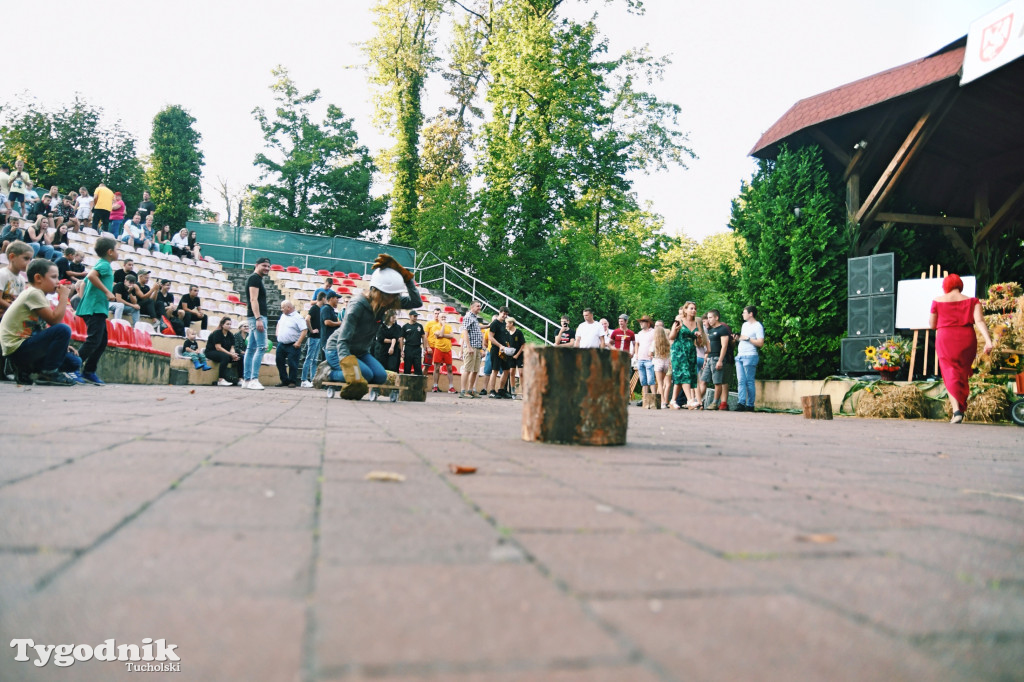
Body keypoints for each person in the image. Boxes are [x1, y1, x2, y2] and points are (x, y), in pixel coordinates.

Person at [314, 254, 421, 400]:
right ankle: (328, 372)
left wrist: (407, 278)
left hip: (360, 351)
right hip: (337, 350)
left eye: (393, 296)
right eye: (387, 296)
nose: (391, 300)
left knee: (380, 376)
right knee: (366, 375)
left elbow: (416, 302)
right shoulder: (357, 306)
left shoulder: (387, 301)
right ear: (375, 291)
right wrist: (349, 366)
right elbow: (342, 340)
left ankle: (354, 371)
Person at [0, 257, 78, 385]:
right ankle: (48, 373)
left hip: (23, 347)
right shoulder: (34, 293)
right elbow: (55, 321)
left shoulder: (39, 295)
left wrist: (63, 345)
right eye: (54, 277)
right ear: (38, 278)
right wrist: (64, 296)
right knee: (63, 329)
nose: (58, 282)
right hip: (17, 348)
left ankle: (25, 371)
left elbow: (39, 328)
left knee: (74, 361)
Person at [930, 274, 994, 424]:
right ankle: (959, 408)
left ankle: (957, 411)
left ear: (945, 286)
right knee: (961, 373)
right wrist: (988, 341)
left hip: (946, 338)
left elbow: (932, 325)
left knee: (949, 372)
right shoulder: (973, 301)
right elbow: (979, 321)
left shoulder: (937, 301)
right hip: (966, 338)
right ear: (960, 285)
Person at [76, 237, 119, 385]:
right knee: (94, 340)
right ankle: (72, 368)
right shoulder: (104, 265)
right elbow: (90, 277)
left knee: (101, 341)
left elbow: (84, 283)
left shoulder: (101, 264)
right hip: (95, 308)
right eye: (117, 249)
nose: (118, 252)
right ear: (110, 252)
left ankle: (89, 371)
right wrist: (107, 292)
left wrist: (84, 300)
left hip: (96, 308)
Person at [242, 257, 272, 390]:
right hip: (257, 317)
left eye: (268, 266)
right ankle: (253, 379)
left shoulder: (256, 279)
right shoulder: (254, 278)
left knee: (251, 349)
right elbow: (253, 299)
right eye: (264, 265)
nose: (267, 268)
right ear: (257, 265)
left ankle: (247, 380)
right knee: (261, 347)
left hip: (254, 317)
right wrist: (258, 318)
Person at [668, 302, 701, 409]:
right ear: (685, 310)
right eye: (691, 308)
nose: (694, 310)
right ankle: (690, 400)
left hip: (691, 350)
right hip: (678, 350)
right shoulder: (679, 321)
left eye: (695, 309)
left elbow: (700, 343)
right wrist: (675, 330)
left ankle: (673, 401)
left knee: (682, 377)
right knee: (684, 374)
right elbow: (671, 337)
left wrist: (699, 336)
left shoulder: (697, 323)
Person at [698, 309, 732, 411]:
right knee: (703, 380)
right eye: (707, 318)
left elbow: (724, 346)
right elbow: (708, 346)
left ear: (716, 318)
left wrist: (720, 360)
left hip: (717, 358)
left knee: (717, 382)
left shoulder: (722, 330)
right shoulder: (710, 330)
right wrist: (705, 359)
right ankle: (698, 401)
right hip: (709, 358)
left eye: (710, 317)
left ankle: (714, 403)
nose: (708, 320)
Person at [734, 306, 765, 412]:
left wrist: (747, 338)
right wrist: (738, 339)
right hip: (740, 355)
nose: (743, 314)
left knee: (749, 381)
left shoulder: (757, 326)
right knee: (741, 381)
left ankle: (750, 404)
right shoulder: (744, 325)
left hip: (750, 355)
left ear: (751, 314)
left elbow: (760, 343)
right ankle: (741, 403)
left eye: (744, 312)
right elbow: (744, 340)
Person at [274, 300, 306, 387]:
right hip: (281, 343)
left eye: (282, 307)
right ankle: (284, 380)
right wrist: (277, 333)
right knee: (279, 361)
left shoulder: (298, 317)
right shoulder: (283, 315)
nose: (281, 309)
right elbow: (278, 324)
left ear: (289, 307)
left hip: (293, 344)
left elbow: (304, 330)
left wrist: (299, 342)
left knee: (293, 363)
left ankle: (292, 381)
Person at [205, 317, 243, 386]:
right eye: (227, 324)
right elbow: (218, 348)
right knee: (225, 357)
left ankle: (240, 379)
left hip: (224, 352)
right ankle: (221, 380)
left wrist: (233, 354)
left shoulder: (230, 334)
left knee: (240, 357)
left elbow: (232, 347)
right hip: (211, 352)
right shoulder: (217, 333)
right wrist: (230, 354)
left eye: (230, 324)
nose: (229, 326)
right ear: (222, 325)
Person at [1, 241, 33, 320]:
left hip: (11, 314)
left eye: (30, 259)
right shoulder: (3, 274)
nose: (29, 262)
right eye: (26, 258)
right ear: (12, 257)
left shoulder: (21, 279)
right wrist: (14, 309)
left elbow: (19, 300)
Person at [459, 300, 484, 398]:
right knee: (467, 369)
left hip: (477, 347)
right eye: (478, 306)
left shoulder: (474, 318)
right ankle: (463, 391)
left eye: (480, 306)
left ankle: (470, 390)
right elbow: (465, 331)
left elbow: (477, 328)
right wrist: (468, 347)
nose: (479, 308)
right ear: (472, 307)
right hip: (471, 347)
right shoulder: (468, 316)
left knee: (475, 370)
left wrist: (489, 325)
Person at [300, 292, 325, 387]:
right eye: (325, 299)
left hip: (318, 338)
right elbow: (307, 319)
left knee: (314, 360)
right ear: (323, 298)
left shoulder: (319, 309)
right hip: (313, 337)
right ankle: (304, 379)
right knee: (309, 358)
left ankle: (312, 379)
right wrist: (311, 330)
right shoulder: (314, 308)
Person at [486, 307, 511, 398]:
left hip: (504, 350)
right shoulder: (495, 323)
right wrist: (500, 345)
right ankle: (492, 391)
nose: (505, 316)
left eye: (506, 314)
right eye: (504, 314)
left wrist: (507, 346)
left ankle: (501, 390)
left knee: (506, 370)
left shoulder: (504, 323)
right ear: (499, 312)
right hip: (496, 349)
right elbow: (490, 337)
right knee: (495, 370)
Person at [430, 312, 456, 393]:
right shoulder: (435, 326)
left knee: (450, 368)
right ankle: (435, 386)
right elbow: (439, 334)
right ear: (439, 318)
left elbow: (451, 336)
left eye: (445, 317)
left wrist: (442, 335)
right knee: (436, 368)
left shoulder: (449, 326)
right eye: (442, 317)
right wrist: (443, 326)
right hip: (439, 348)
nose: (444, 319)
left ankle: (451, 387)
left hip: (448, 349)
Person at [634, 315, 656, 405]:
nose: (641, 323)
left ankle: (654, 398)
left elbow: (656, 343)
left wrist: (653, 353)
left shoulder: (653, 332)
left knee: (651, 379)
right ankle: (645, 399)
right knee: (643, 380)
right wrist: (636, 354)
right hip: (641, 359)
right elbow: (637, 344)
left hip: (649, 359)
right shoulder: (639, 333)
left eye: (642, 322)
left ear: (648, 323)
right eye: (640, 322)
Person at [503, 316, 526, 398]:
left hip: (519, 355)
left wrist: (517, 354)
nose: (506, 325)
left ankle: (524, 392)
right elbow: (506, 343)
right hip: (510, 355)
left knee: (521, 373)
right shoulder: (506, 333)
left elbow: (523, 345)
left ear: (511, 323)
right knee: (511, 372)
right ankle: (513, 392)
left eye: (507, 323)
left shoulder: (519, 332)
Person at [652, 321, 672, 407]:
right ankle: (658, 401)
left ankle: (663, 401)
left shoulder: (655, 342)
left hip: (658, 363)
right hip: (666, 364)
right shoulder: (667, 343)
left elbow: (650, 353)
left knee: (660, 383)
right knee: (663, 383)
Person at [401, 310, 426, 375]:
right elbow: (401, 339)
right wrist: (401, 350)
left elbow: (423, 337)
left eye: (416, 316)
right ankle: (406, 384)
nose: (416, 317)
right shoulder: (405, 326)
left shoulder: (419, 326)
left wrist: (424, 349)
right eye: (414, 316)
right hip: (408, 348)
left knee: (418, 368)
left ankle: (418, 384)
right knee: (407, 368)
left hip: (417, 348)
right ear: (410, 316)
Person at [423, 307, 443, 374]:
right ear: (433, 314)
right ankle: (421, 381)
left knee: (437, 368)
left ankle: (435, 384)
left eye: (438, 314)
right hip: (430, 347)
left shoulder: (443, 324)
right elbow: (425, 336)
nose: (437, 315)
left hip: (439, 348)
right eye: (435, 313)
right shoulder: (429, 323)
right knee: (426, 366)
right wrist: (428, 347)